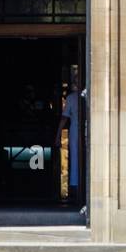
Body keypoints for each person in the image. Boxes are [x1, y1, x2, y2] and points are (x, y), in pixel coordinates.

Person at [56, 71, 84, 206]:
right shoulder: (73, 98)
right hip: (76, 130)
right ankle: (77, 190)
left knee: (76, 159)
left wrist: (57, 135)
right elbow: (64, 118)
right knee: (76, 158)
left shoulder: (73, 98)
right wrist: (58, 135)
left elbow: (64, 118)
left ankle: (77, 189)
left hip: (76, 130)